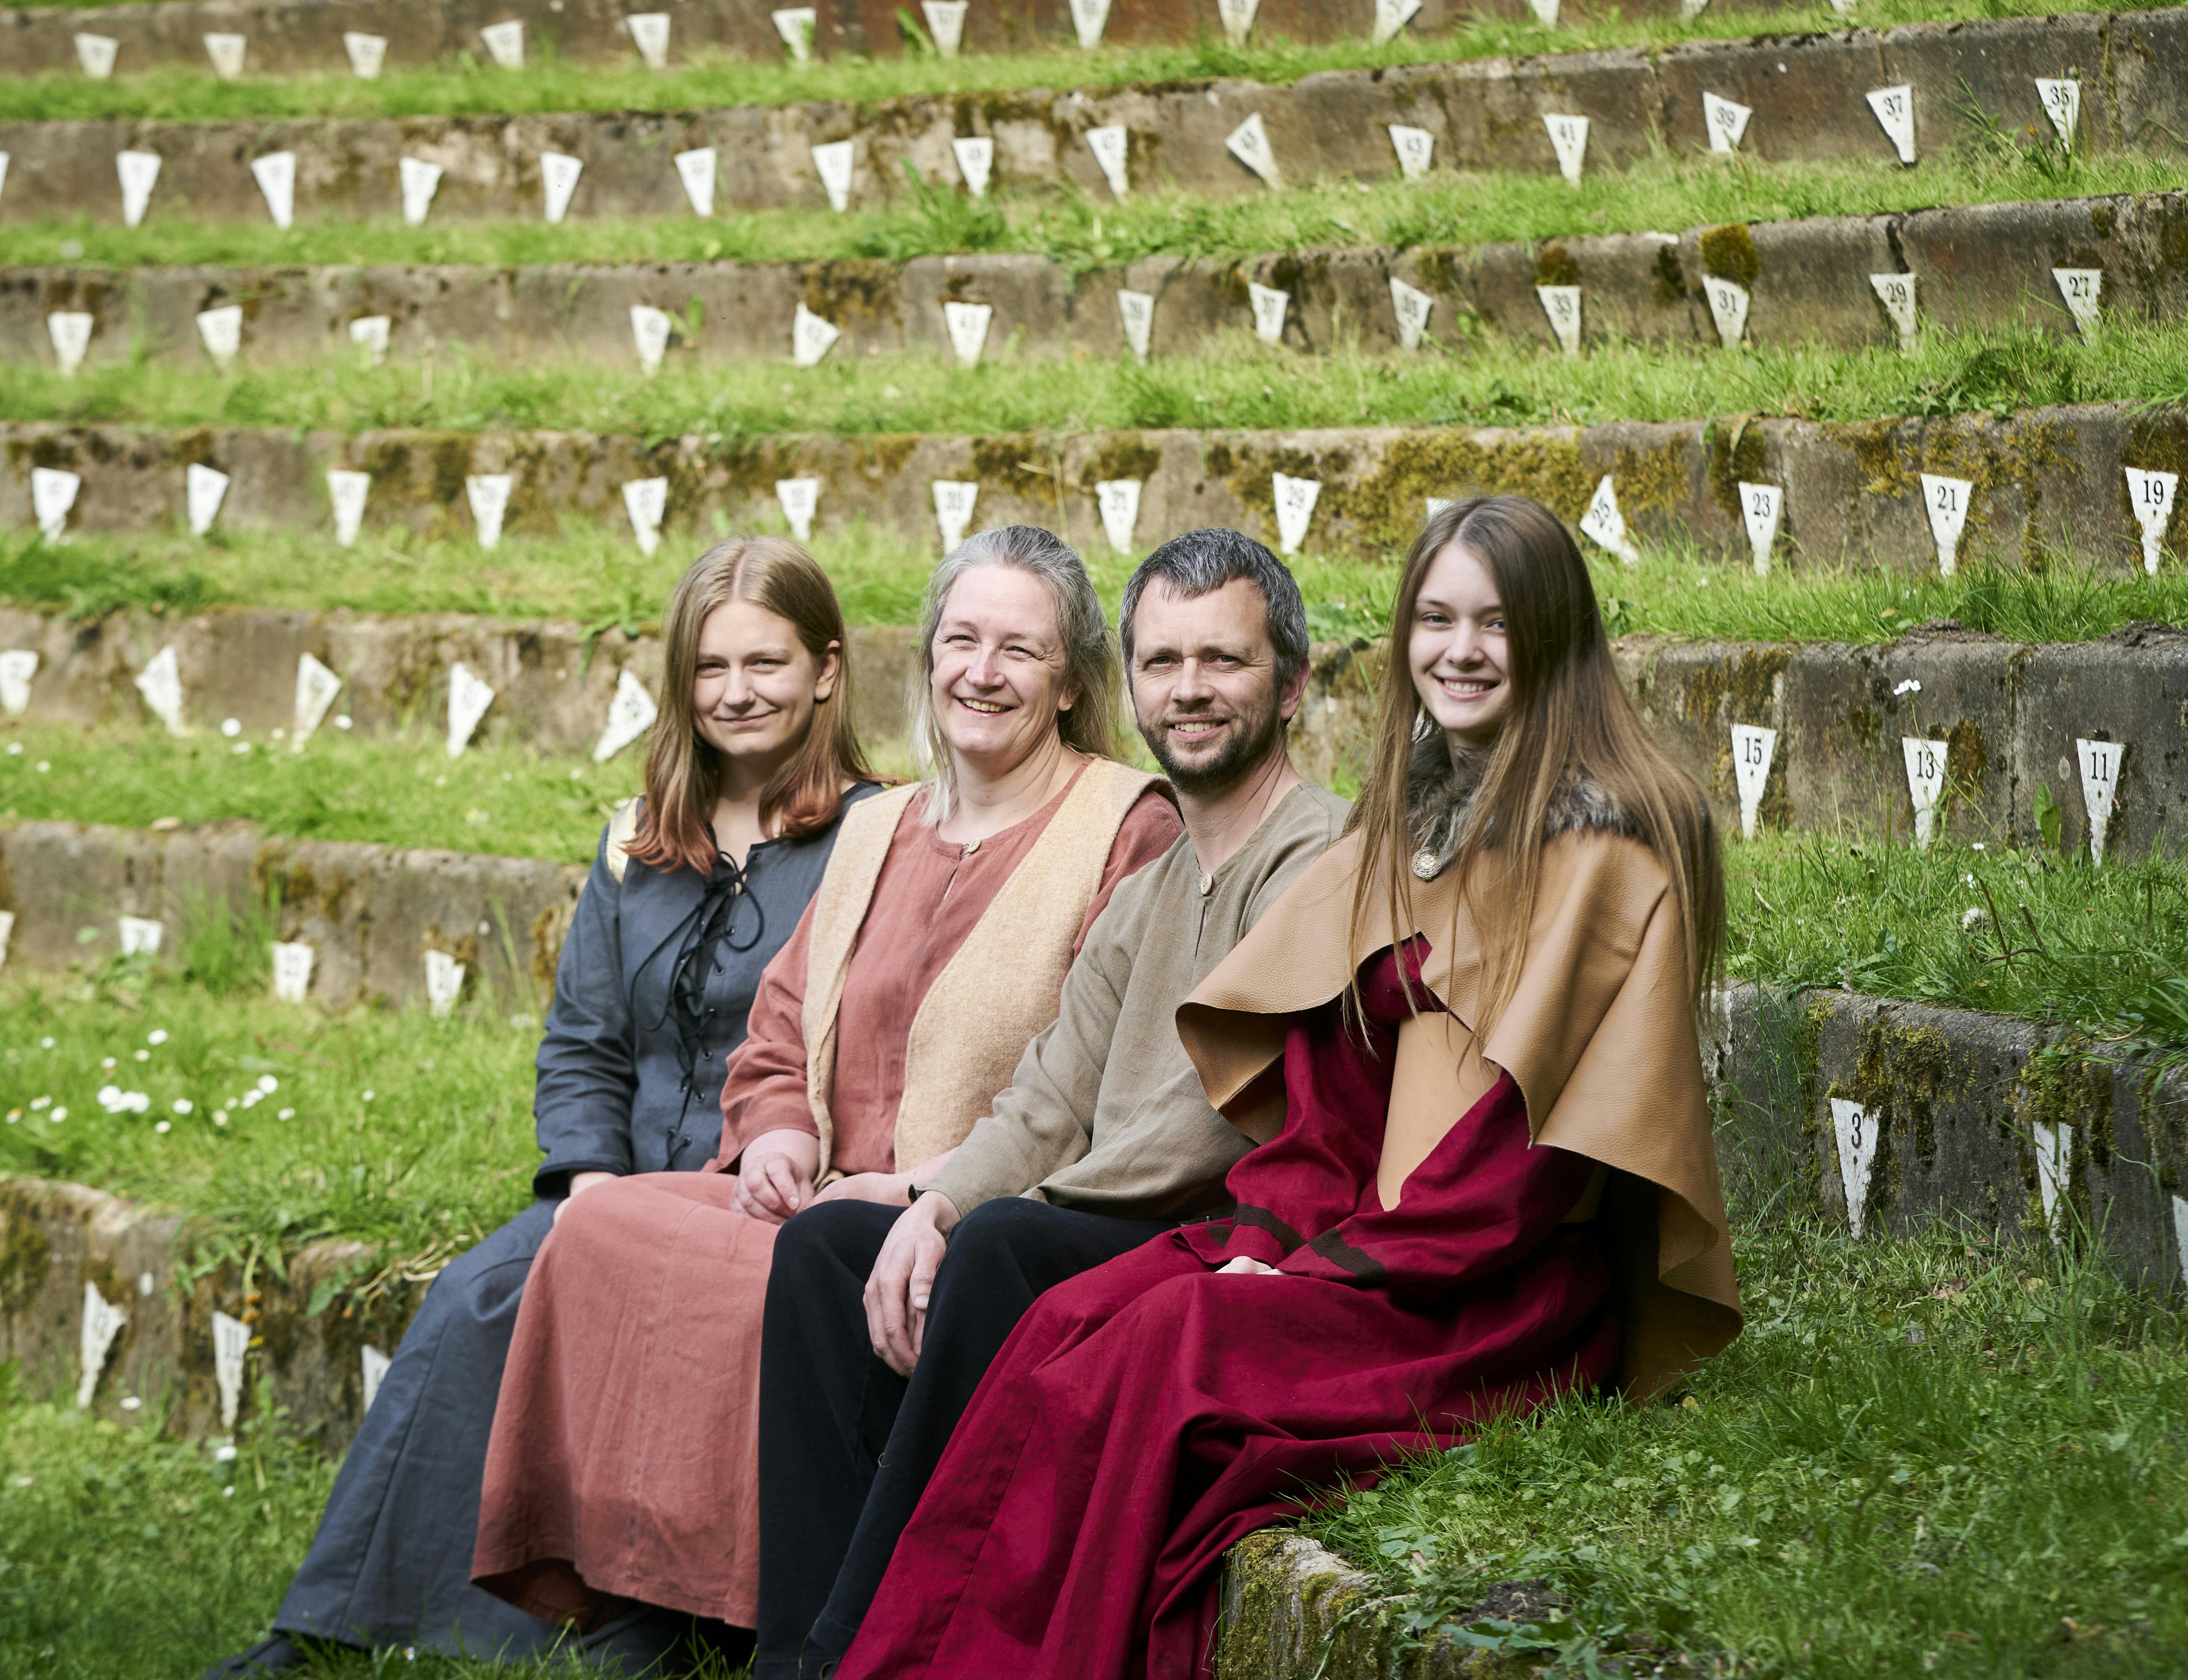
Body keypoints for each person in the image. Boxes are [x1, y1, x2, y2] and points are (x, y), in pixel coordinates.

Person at [833, 495, 1744, 1680]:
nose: (1459, 650)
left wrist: (1319, 1269)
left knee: (1174, 1347)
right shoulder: (1409, 826)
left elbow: (1519, 1162)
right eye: (1433, 617)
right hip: (1363, 1239)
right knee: (1068, 1318)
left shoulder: (1610, 851)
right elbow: (1337, 1097)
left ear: (1555, 637)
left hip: (1485, 1287)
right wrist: (1268, 1229)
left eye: (1495, 623)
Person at [470, 526, 1184, 1652]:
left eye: (1018, 650)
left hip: (970, 1205)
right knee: (600, 1223)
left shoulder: (1127, 823)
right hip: (816, 1190)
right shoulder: (880, 822)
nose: (981, 672)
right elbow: (779, 1025)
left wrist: (924, 1186)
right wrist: (773, 1131)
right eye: (960, 640)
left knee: (779, 1268)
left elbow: (1098, 1079)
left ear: (1071, 683)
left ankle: (749, 1609)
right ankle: (649, 1588)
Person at [205, 536, 880, 1676]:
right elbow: (582, 1042)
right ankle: (327, 1621)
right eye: (710, 667)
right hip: (617, 1184)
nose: (737, 692)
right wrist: (586, 1182)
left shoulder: (874, 840)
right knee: (480, 1295)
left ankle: (650, 1612)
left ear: (824, 670)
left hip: (757, 1198)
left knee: (699, 1322)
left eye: (764, 663)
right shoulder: (633, 844)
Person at [753, 529, 1352, 1680]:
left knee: (1002, 1240)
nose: (1188, 689)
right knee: (832, 1245)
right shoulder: (1157, 880)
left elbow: (1215, 1119)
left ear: (1291, 682)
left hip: (1223, 1233)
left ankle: (871, 1652)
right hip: (1093, 1209)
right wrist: (929, 1196)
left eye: (1220, 660)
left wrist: (983, 1212)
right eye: (1162, 660)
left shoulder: (1319, 853)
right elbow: (1049, 1091)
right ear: (1126, 680)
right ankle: (793, 1654)